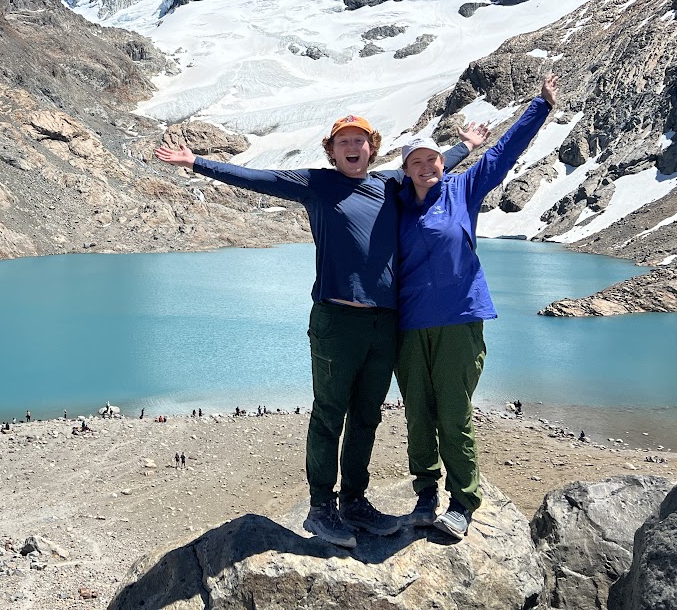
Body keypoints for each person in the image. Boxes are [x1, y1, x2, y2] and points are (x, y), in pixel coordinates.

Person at [156, 115, 489, 548]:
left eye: (360, 141)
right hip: (336, 320)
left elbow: (428, 165)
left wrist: (464, 147)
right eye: (343, 142)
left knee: (367, 416)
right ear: (331, 151)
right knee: (330, 413)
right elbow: (258, 178)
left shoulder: (391, 184)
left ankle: (354, 501)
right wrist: (197, 162)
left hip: (384, 323)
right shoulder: (315, 183)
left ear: (373, 147)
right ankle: (321, 507)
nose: (352, 148)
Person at [396, 73, 558, 541]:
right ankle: (425, 493)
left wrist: (541, 106)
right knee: (417, 412)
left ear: (441, 163)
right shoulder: (396, 202)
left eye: (433, 159)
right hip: (408, 326)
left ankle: (463, 500)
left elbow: (504, 154)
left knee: (453, 411)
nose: (428, 167)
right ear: (406, 168)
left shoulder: (463, 190)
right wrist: (457, 148)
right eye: (418, 161)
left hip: (459, 321)